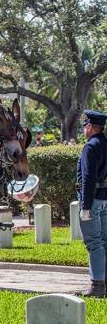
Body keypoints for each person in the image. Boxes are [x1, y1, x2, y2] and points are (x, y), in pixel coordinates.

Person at [75, 110, 107, 298]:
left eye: (85, 127)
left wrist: (85, 206)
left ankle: (97, 286)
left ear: (89, 127)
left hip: (92, 200)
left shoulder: (90, 147)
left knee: (94, 243)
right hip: (105, 199)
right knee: (104, 242)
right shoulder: (105, 143)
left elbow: (88, 178)